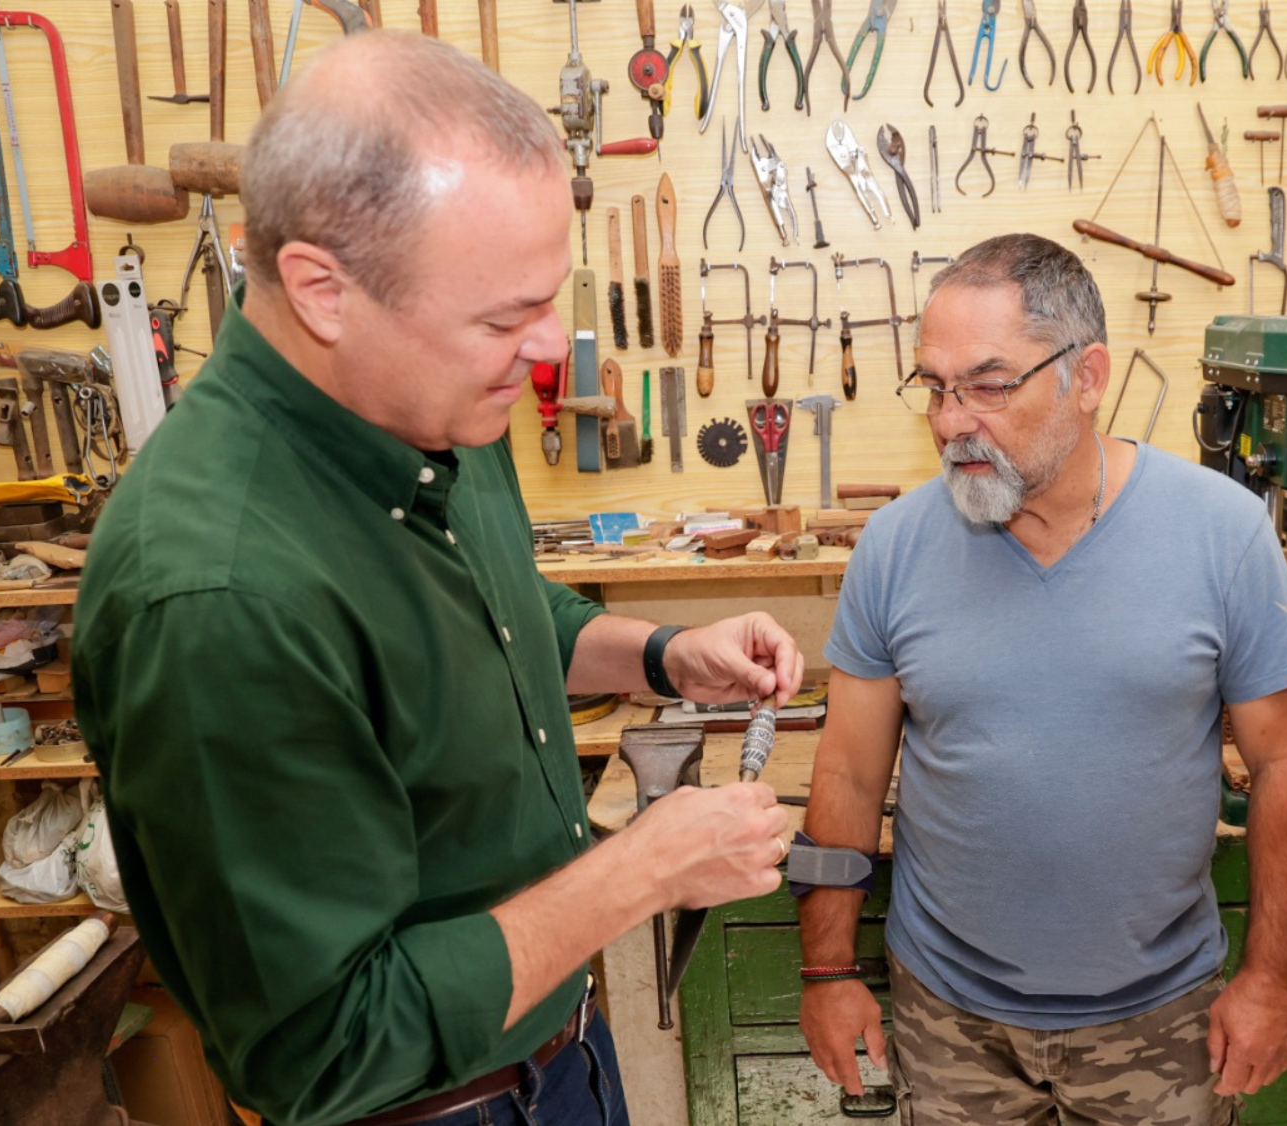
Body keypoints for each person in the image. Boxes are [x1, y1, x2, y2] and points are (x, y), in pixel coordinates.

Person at [73, 32, 799, 1126]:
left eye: (544, 300)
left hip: (561, 1058)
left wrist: (657, 657)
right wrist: (643, 872)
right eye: (506, 316)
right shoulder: (213, 601)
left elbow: (493, 617)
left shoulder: (436, 401)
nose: (548, 347)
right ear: (322, 289)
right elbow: (324, 1050)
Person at [795, 234, 1287, 1126]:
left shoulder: (1223, 534)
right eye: (935, 387)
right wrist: (826, 971)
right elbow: (848, 775)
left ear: (1087, 378)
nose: (951, 421)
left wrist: (1273, 979)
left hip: (1163, 1020)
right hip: (949, 1019)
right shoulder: (893, 548)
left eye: (989, 385)